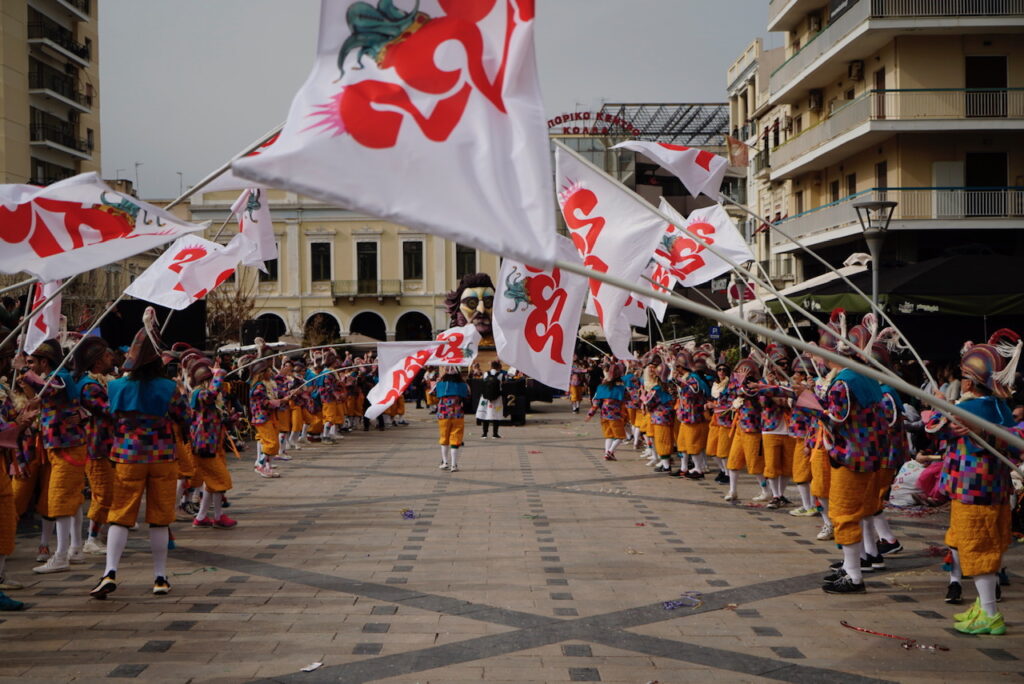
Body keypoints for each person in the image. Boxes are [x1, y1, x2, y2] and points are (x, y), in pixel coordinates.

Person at [91, 313, 189, 599]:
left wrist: (102, 451)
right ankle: (160, 577)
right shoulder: (169, 388)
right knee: (159, 518)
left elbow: (105, 423)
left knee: (120, 516)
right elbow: (185, 417)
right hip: (162, 457)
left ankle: (110, 572)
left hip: (126, 457)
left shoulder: (115, 387)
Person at [929, 329, 1021, 634]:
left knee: (977, 547)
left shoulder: (968, 409)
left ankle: (990, 614)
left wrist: (940, 404)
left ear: (970, 381)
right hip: (995, 487)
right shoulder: (1001, 408)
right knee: (987, 546)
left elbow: (934, 427)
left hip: (972, 490)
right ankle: (983, 606)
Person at [818, 312, 888, 595]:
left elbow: (837, 418)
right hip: (871, 454)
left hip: (851, 455)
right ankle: (851, 568)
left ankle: (854, 576)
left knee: (844, 512)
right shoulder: (866, 377)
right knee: (857, 512)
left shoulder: (843, 381)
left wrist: (814, 409)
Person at [23, 339, 89, 574]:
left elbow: (51, 388)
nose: (32, 367)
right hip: (63, 446)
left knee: (60, 500)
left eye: (35, 363)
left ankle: (61, 555)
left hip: (66, 446)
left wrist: (23, 371)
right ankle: (75, 548)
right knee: (71, 498)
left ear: (44, 362)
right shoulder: (58, 377)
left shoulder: (59, 377)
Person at [72, 336, 117, 555]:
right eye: (108, 355)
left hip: (107, 445)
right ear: (97, 362)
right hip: (96, 446)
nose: (112, 358)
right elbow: (110, 410)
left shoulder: (100, 382)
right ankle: (91, 538)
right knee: (103, 493)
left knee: (110, 492)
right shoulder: (89, 387)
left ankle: (103, 534)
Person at [586, 362, 626, 461]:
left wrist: (590, 414)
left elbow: (595, 402)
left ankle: (607, 453)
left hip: (604, 415)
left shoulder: (601, 388)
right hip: (615, 416)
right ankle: (610, 452)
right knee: (620, 436)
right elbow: (629, 399)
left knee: (609, 435)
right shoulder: (621, 389)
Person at [435, 367, 469, 472]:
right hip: (457, 414)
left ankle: (445, 462)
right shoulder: (463, 385)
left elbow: (433, 394)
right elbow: (468, 395)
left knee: (444, 436)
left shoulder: (440, 384)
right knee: (456, 436)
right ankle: (454, 465)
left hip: (443, 413)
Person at [477, 361, 504, 439]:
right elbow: (502, 385)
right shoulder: (501, 375)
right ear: (498, 367)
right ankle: (495, 434)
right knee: (496, 414)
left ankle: (484, 434)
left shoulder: (485, 374)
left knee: (485, 415)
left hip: (485, 398)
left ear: (491, 366)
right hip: (497, 398)